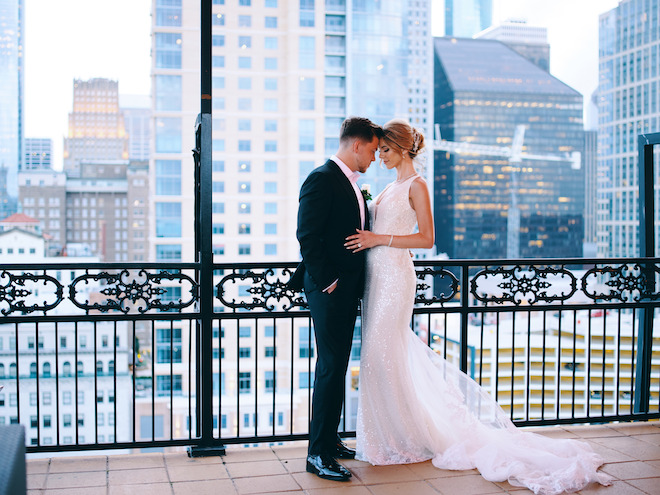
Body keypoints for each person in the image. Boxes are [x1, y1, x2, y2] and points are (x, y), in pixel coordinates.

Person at [344, 119, 612, 495]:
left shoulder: (417, 186)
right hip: (377, 278)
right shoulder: (390, 186)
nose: (380, 157)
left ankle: (402, 440)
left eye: (385, 150)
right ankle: (391, 436)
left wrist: (378, 238)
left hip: (395, 279)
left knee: (381, 354)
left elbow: (426, 238)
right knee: (383, 357)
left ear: (402, 149)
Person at [291, 116, 384, 482]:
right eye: (374, 150)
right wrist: (329, 280)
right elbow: (307, 235)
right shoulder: (322, 178)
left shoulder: (350, 183)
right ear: (357, 145)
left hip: (345, 289)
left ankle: (329, 441)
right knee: (330, 368)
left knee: (337, 367)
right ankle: (317, 454)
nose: (375, 157)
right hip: (328, 290)